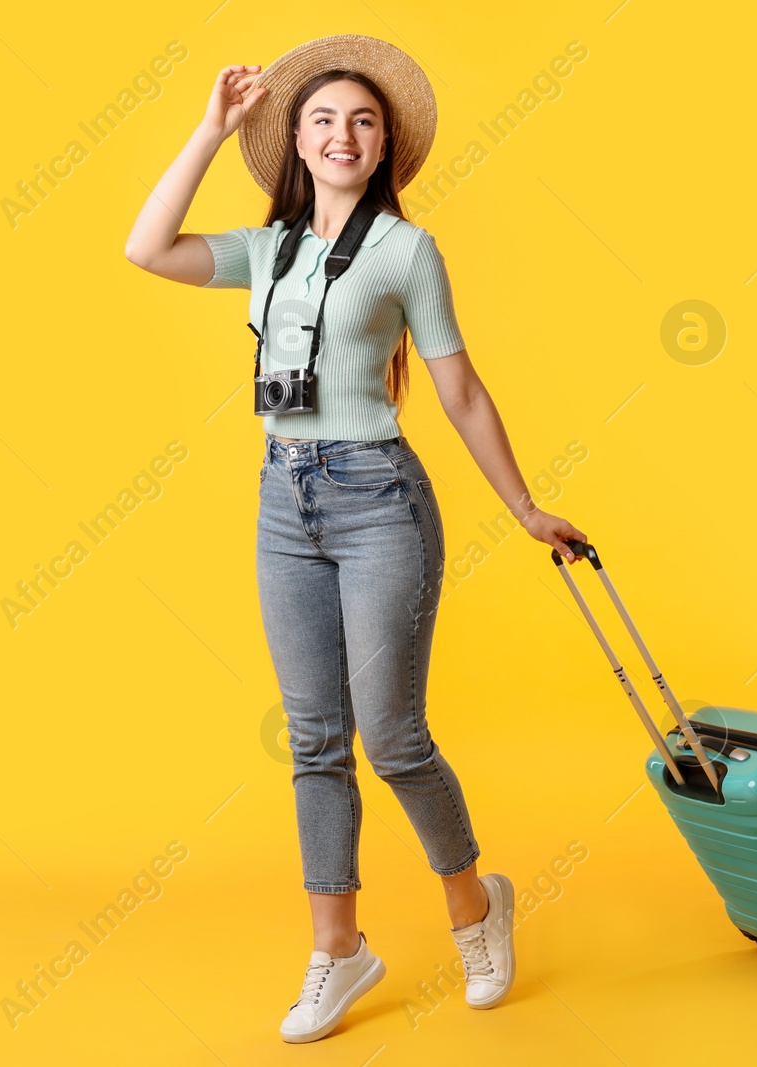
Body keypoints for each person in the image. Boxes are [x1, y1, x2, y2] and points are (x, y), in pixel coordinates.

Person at [123, 34, 588, 1043]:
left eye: (363, 122)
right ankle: (338, 949)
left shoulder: (404, 251)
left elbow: (456, 384)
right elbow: (146, 247)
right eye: (324, 118)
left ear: (384, 151)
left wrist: (523, 507)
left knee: (394, 735)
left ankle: (476, 907)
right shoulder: (266, 249)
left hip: (380, 499)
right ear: (295, 138)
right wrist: (209, 130)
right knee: (312, 740)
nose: (343, 133)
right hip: (283, 500)